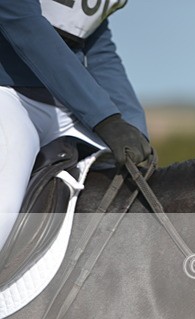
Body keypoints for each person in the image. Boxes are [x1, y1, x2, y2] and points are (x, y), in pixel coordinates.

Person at [0, 0, 152, 250]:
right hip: (8, 95)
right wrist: (104, 118)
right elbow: (23, 23)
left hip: (66, 103)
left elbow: (98, 50)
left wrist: (132, 127)